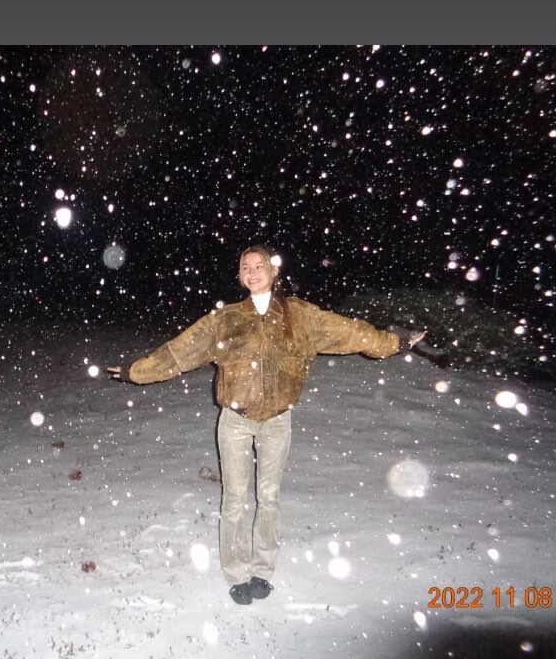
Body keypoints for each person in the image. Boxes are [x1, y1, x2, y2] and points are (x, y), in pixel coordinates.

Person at [107, 245, 426, 606]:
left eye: (259, 266)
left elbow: (351, 332)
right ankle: (237, 573)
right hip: (235, 422)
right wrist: (137, 372)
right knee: (234, 499)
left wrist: (395, 343)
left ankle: (262, 569)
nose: (253, 271)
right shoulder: (225, 319)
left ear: (274, 272)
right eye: (246, 266)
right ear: (240, 275)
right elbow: (180, 351)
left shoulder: (301, 316)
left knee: (269, 497)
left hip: (277, 421)